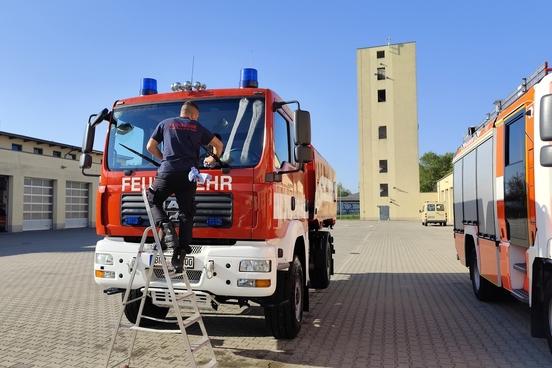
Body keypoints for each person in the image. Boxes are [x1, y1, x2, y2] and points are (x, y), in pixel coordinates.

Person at [146, 101, 224, 272]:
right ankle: (180, 254)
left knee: (152, 199)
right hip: (188, 175)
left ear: (182, 112)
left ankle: (166, 227)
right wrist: (212, 159)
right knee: (186, 213)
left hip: (167, 172)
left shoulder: (165, 124)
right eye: (197, 116)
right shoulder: (197, 127)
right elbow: (218, 145)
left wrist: (163, 160)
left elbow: (150, 147)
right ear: (193, 115)